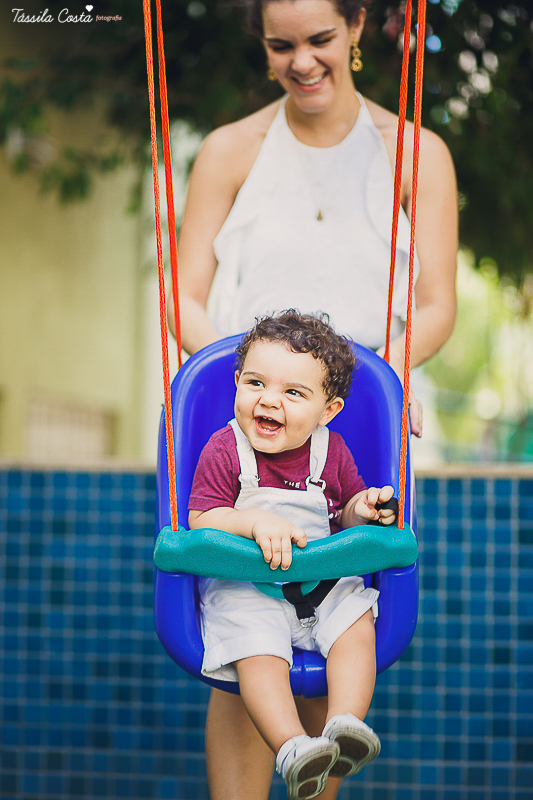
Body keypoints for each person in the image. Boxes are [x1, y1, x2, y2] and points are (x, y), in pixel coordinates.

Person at [169, 2, 458, 796]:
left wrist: (378, 382)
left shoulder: (415, 153)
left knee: (337, 607)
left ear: (360, 27)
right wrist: (233, 387)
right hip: (247, 416)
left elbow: (435, 302)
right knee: (242, 618)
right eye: (281, 46)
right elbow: (185, 295)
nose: (302, 62)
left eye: (321, 40)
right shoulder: (231, 150)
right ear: (261, 48)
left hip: (355, 414)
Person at [188, 311, 397, 800]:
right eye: (256, 383)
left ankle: (344, 725)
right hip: (249, 589)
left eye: (293, 393)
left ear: (329, 409)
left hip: (320, 587)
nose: (269, 400)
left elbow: (342, 514)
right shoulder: (226, 450)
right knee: (256, 651)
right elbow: (203, 519)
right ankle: (290, 747)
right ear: (236, 382)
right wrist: (253, 522)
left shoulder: (333, 450)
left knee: (357, 621)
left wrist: (362, 509)